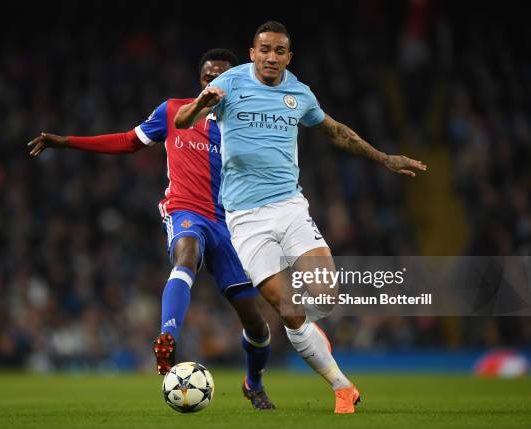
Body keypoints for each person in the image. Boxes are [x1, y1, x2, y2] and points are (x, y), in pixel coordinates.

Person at [175, 22, 428, 414]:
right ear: (252, 52)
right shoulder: (229, 83)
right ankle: (343, 388)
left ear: (289, 57)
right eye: (265, 50)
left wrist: (385, 159)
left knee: (325, 297)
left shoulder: (300, 93)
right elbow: (183, 122)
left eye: (279, 51)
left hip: (290, 207)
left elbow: (337, 132)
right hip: (245, 219)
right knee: (290, 312)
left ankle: (310, 334)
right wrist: (201, 104)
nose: (271, 57)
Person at [27, 49, 275, 410]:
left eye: (220, 77)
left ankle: (254, 383)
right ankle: (167, 339)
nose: (212, 83)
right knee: (186, 252)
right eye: (207, 77)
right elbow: (128, 141)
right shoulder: (173, 111)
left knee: (255, 323)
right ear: (200, 81)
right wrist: (66, 141)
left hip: (231, 223)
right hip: (185, 210)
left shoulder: (245, 125)